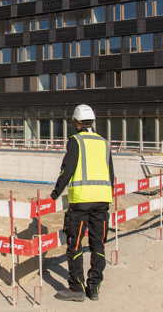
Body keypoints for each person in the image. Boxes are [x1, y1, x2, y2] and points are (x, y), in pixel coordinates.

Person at [50, 104, 114, 302]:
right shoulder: (104, 142)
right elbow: (110, 173)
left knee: (75, 244)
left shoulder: (76, 141)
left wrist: (55, 194)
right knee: (98, 244)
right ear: (92, 122)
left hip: (81, 201)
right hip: (102, 200)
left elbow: (67, 169)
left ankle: (76, 288)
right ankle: (94, 287)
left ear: (76, 123)